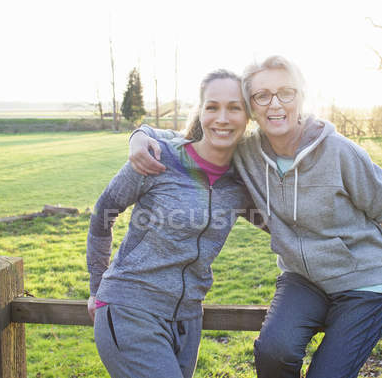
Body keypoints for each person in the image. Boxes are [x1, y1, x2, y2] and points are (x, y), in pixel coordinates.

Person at [128, 55, 382, 378]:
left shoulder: (341, 153)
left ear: (301, 96)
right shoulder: (246, 152)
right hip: (303, 278)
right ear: (252, 107)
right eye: (262, 96)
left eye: (286, 92)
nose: (275, 104)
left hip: (366, 281)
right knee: (273, 351)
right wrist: (141, 135)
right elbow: (191, 140)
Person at [87, 69, 264, 378]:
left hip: (187, 320)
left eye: (234, 107)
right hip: (131, 310)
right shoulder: (157, 158)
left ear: (248, 116)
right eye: (212, 107)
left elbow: (283, 227)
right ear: (201, 111)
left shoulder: (240, 183)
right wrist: (95, 284)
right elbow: (104, 212)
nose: (222, 117)